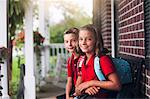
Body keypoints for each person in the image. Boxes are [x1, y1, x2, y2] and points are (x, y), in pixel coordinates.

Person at [75, 24, 122, 98]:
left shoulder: (103, 60)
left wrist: (91, 83)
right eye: (81, 39)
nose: (83, 42)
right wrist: (86, 90)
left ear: (96, 41)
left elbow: (117, 85)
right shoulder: (82, 61)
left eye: (89, 39)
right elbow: (77, 90)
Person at [56, 27, 82, 99]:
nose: (69, 44)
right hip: (73, 90)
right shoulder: (70, 60)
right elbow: (69, 81)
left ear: (79, 41)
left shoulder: (83, 58)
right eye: (66, 41)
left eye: (73, 41)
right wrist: (67, 96)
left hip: (81, 91)